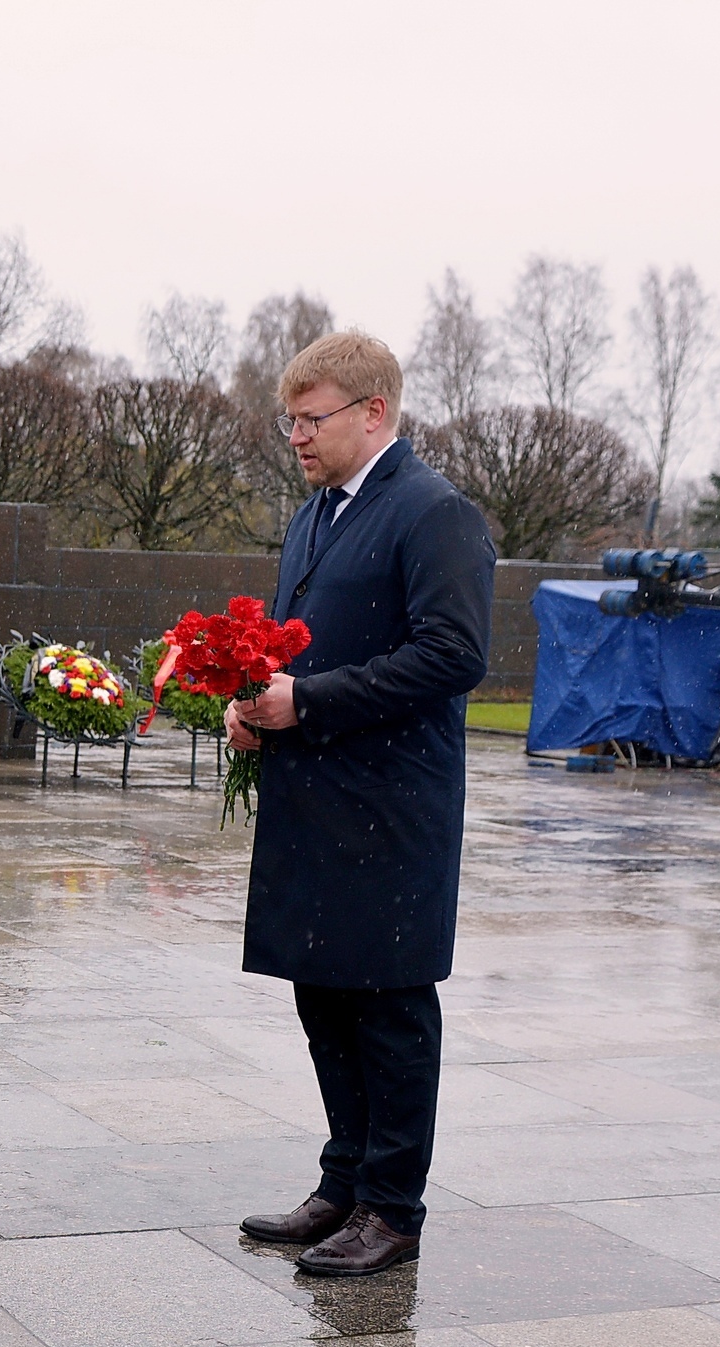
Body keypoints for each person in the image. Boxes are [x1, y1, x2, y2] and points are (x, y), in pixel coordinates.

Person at [226, 331, 493, 1278]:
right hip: (315, 800)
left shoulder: (434, 513)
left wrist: (312, 700)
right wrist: (256, 699)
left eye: (313, 418)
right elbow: (296, 641)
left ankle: (392, 1207)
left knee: (388, 1007)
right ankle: (342, 1181)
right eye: (289, 420)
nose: (296, 435)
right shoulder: (315, 515)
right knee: (325, 996)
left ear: (373, 411)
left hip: (390, 809)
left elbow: (455, 653)